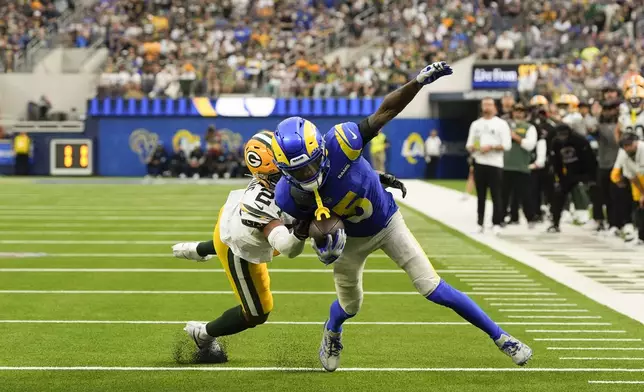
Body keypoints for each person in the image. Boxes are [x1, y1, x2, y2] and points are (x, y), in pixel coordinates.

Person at [271, 62, 532, 373]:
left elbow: (385, 111)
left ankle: (501, 337)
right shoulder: (288, 195)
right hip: (349, 243)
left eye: (311, 165)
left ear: (322, 151)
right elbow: (293, 239)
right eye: (298, 172)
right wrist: (315, 240)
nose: (308, 175)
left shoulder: (342, 142)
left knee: (432, 287)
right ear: (285, 171)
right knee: (350, 306)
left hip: (386, 222)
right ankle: (332, 330)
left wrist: (416, 83)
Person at [171, 131, 308, 362]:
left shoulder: (281, 172)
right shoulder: (262, 204)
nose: (294, 175)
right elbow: (287, 247)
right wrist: (308, 228)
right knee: (257, 312)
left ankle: (199, 250)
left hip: (232, 221)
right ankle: (202, 334)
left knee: (226, 241)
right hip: (241, 244)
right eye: (283, 172)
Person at [466, 97, 513, 234]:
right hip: (480, 162)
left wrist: (491, 147)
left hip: (495, 163)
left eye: (489, 104)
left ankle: (497, 222)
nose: (487, 107)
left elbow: (506, 145)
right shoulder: (476, 124)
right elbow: (470, 144)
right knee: (480, 195)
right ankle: (480, 223)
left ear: (494, 107)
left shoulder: (501, 124)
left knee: (496, 194)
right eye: (484, 104)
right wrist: (475, 148)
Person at [548, 124, 598, 233]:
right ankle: (555, 222)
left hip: (583, 171)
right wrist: (559, 178)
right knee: (558, 195)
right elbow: (556, 162)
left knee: (593, 193)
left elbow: (589, 159)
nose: (562, 137)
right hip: (567, 173)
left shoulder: (580, 141)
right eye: (560, 135)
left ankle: (597, 220)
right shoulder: (556, 143)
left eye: (564, 135)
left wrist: (590, 177)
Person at [589, 100, 621, 233]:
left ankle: (615, 223)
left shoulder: (620, 124)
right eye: (606, 109)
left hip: (617, 165)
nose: (608, 112)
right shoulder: (600, 124)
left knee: (615, 196)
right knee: (600, 195)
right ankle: (600, 220)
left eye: (611, 109)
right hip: (603, 164)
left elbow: (613, 139)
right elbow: (590, 129)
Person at [502, 103, 537, 226]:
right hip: (505, 165)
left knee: (525, 195)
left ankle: (530, 218)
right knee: (504, 196)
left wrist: (515, 137)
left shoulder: (529, 127)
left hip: (521, 166)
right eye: (516, 110)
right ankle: (502, 218)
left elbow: (530, 145)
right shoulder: (504, 126)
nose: (518, 113)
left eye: (521, 111)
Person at [527, 95, 557, 222]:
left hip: (549, 161)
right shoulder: (529, 125)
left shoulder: (552, 125)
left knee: (550, 189)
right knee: (534, 189)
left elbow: (555, 145)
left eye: (541, 107)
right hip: (533, 161)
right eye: (536, 107)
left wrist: (553, 162)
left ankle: (552, 211)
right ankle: (536, 212)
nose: (538, 110)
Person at [614, 133, 644, 243]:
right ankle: (641, 236)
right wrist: (642, 194)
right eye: (624, 146)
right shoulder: (624, 154)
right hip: (640, 179)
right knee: (639, 206)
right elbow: (632, 177)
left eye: (629, 144)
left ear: (635, 142)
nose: (627, 147)